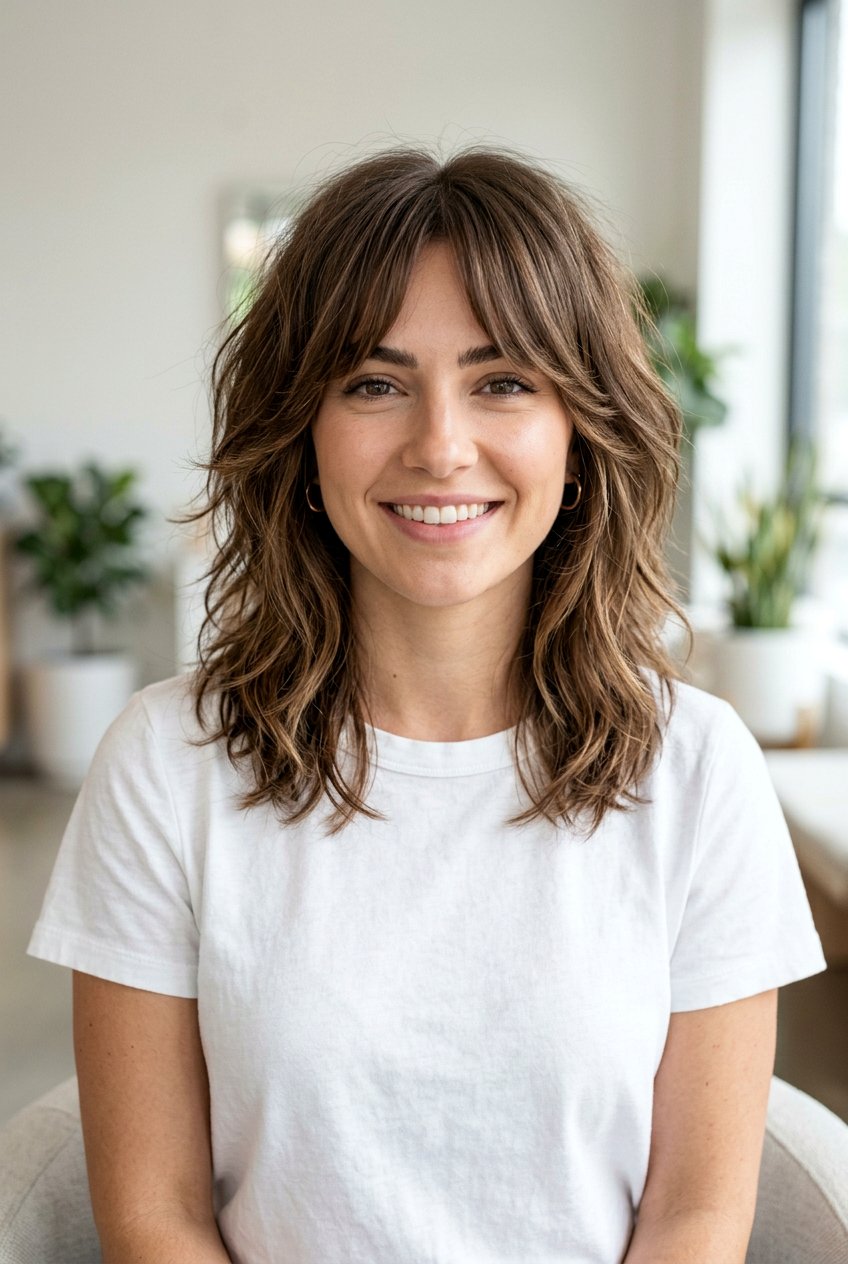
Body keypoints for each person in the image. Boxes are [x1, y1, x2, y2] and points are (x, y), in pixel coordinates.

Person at [29, 146, 826, 1264]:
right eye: (374, 382)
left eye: (502, 381)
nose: (440, 445)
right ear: (301, 430)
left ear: (578, 432)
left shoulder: (696, 768)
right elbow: (154, 1214)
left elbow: (694, 1218)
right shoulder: (167, 761)